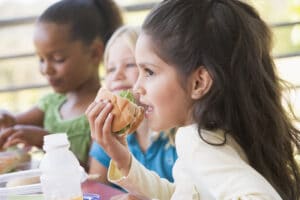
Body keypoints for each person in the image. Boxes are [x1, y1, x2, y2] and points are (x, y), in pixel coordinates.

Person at [86, 0, 300, 199]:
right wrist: (124, 160)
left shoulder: (196, 141)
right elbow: (181, 194)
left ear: (198, 82)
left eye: (149, 72)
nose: (137, 87)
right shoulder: (208, 133)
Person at [0, 0, 123, 170]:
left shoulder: (104, 112)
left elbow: (94, 178)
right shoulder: (51, 104)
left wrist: (46, 141)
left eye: (58, 59)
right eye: (41, 59)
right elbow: (12, 125)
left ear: (94, 53)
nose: (46, 69)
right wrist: (5, 119)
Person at [88, 25, 177, 186]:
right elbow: (94, 190)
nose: (116, 75)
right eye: (110, 69)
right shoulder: (108, 130)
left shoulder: (178, 135)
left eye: (129, 65)